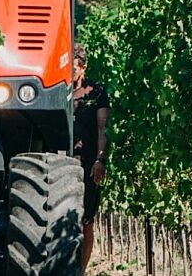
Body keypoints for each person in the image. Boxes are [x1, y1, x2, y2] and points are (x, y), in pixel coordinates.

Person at [72, 46, 109, 274]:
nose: (69, 73)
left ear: (83, 68)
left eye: (73, 69)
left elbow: (103, 127)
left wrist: (100, 159)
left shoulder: (96, 91)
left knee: (87, 219)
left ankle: (81, 271)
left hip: (87, 162)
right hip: (62, 158)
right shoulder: (58, 89)